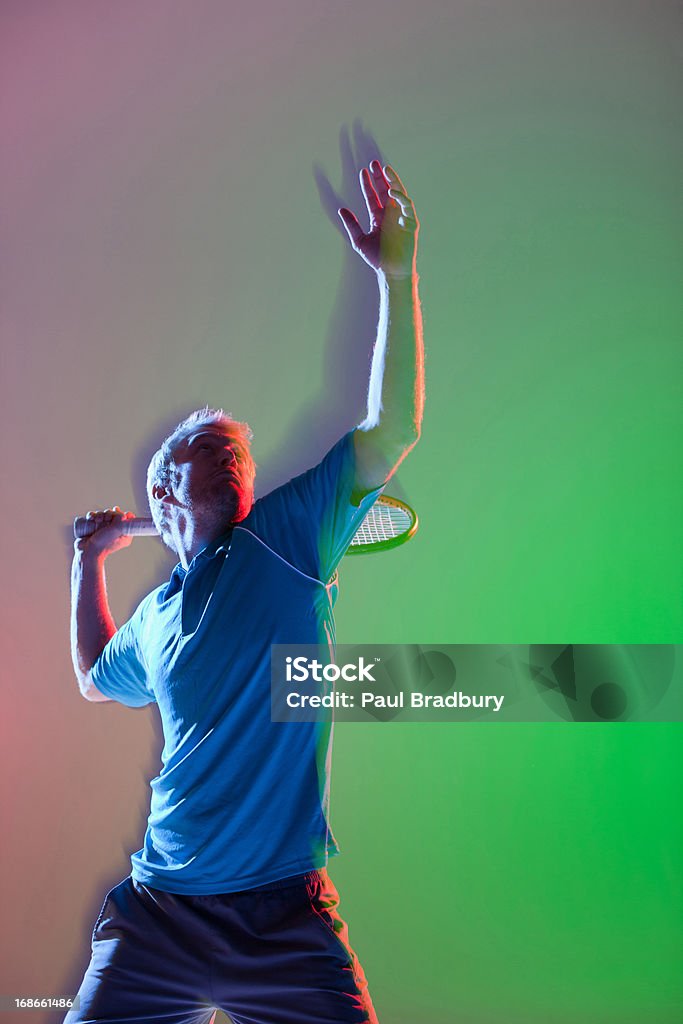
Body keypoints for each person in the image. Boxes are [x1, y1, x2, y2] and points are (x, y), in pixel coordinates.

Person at [67, 160, 424, 1024]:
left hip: (286, 921)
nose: (233, 469)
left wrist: (397, 272)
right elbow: (91, 676)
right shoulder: (155, 620)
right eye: (207, 460)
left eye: (237, 462)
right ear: (162, 494)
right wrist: (87, 563)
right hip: (158, 918)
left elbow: (395, 427)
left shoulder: (285, 537)